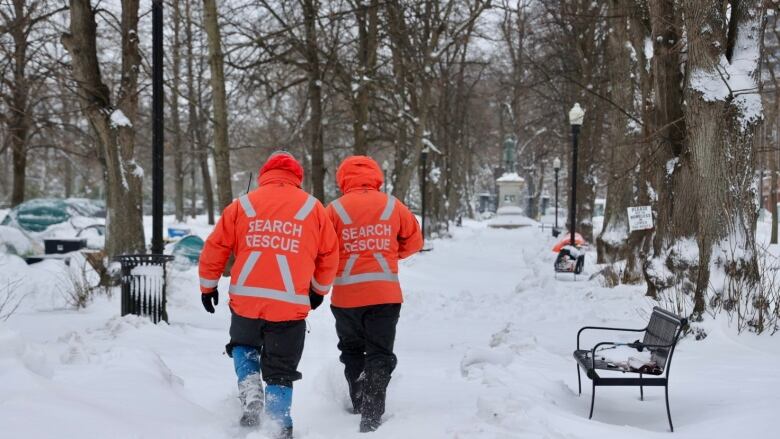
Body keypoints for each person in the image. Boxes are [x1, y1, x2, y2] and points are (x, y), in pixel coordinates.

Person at [198, 151, 339, 438]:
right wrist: (318, 290)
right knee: (281, 366)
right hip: (290, 305)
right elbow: (329, 255)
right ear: (297, 178)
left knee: (243, 345)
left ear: (264, 175)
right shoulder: (314, 209)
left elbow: (216, 247)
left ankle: (250, 387)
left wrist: (208, 286)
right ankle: (278, 421)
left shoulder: (242, 206)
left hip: (246, 300)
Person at [326, 156, 423, 432]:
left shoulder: (333, 210)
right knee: (380, 353)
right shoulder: (393, 206)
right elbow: (415, 242)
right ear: (376, 176)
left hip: (346, 296)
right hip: (385, 294)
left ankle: (358, 400)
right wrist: (390, 253)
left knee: (352, 350)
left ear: (342, 178)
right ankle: (372, 409)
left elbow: (321, 249)